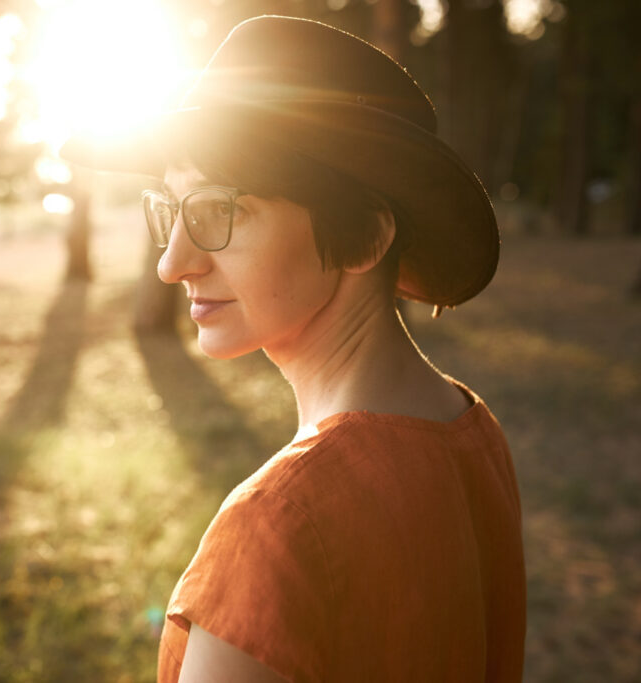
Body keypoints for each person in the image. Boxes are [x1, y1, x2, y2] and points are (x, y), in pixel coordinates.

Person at [62, 15, 526, 683]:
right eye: (171, 209)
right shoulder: (473, 431)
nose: (173, 262)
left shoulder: (280, 523)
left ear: (365, 236)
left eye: (221, 212)